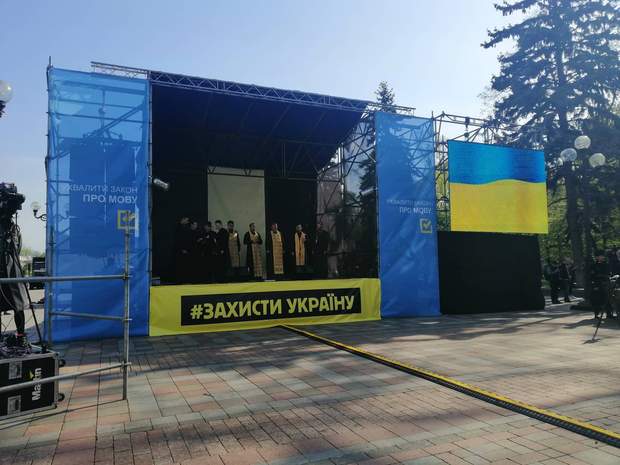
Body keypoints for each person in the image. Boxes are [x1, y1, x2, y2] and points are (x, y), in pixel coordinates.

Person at [591, 251, 612, 318]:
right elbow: (592, 275)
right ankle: (596, 313)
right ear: (597, 257)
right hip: (597, 283)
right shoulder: (594, 265)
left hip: (606, 283)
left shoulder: (606, 264)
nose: (602, 257)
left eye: (602, 256)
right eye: (600, 256)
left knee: (607, 298)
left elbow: (609, 273)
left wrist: (606, 276)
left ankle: (609, 313)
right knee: (597, 299)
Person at [174, 217, 193, 284]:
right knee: (180, 266)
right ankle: (180, 280)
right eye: (187, 220)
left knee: (185, 266)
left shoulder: (185, 227)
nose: (188, 222)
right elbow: (179, 240)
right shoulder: (178, 228)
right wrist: (182, 249)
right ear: (183, 220)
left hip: (185, 250)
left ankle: (184, 280)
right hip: (180, 251)